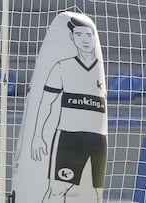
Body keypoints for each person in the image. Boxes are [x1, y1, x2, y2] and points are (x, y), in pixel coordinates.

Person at [30, 16, 107, 203]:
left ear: (93, 39)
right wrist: (37, 136)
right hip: (69, 138)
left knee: (96, 194)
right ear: (73, 38)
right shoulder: (62, 67)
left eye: (88, 35)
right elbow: (46, 103)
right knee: (57, 191)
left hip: (98, 140)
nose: (84, 40)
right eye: (79, 35)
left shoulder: (100, 70)